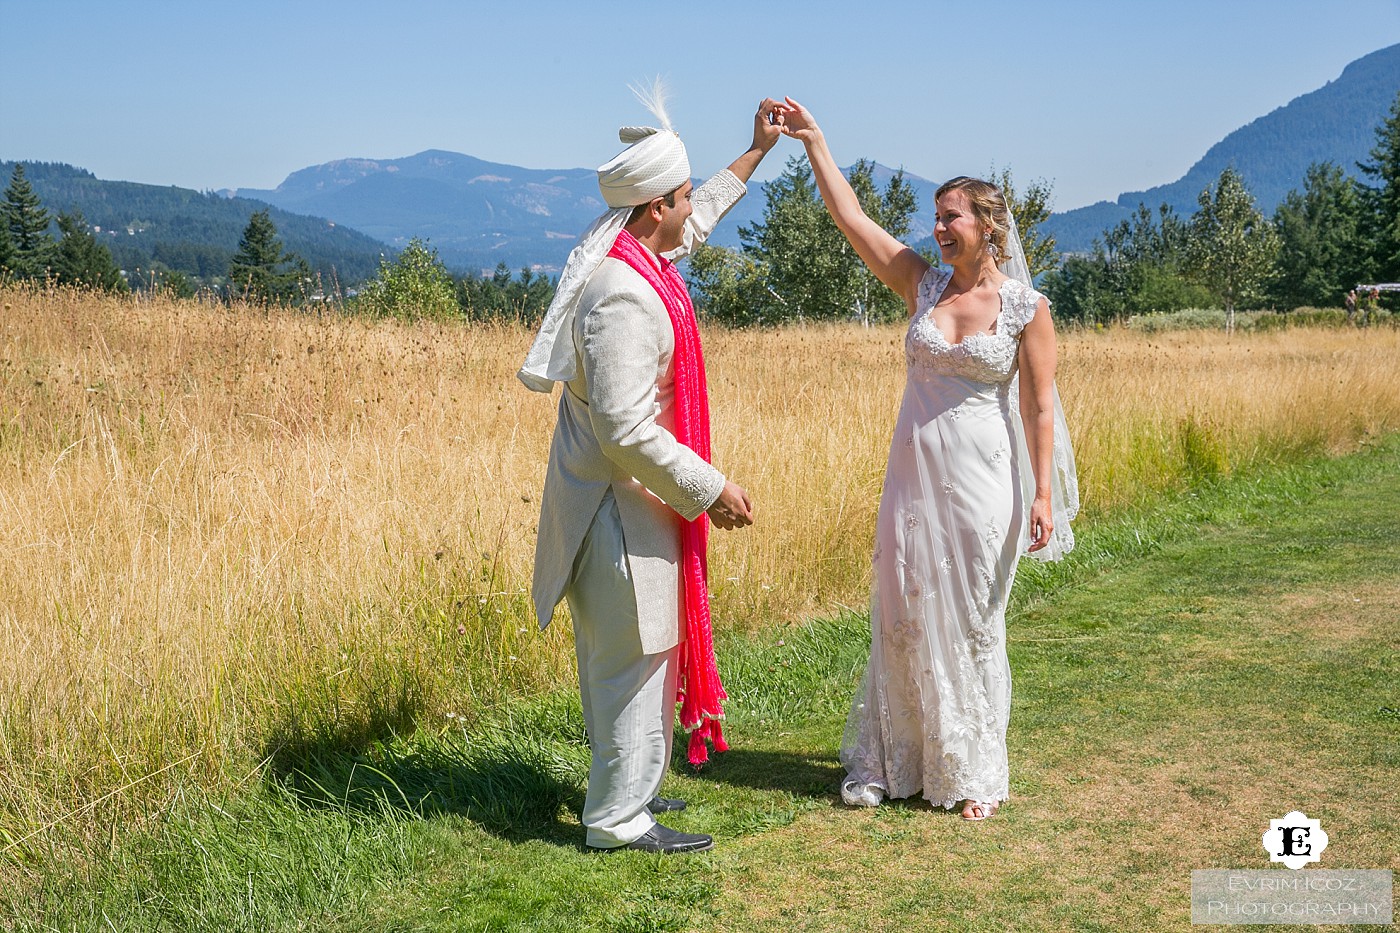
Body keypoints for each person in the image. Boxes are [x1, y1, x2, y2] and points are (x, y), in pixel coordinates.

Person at [777, 97, 1078, 821]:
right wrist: (815, 141)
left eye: (952, 218)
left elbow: (1041, 407)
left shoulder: (1025, 309)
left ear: (988, 226)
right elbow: (853, 220)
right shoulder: (922, 283)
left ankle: (972, 770)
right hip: (912, 474)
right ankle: (897, 759)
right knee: (905, 609)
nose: (938, 229)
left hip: (984, 481)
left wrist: (1042, 494)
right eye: (936, 218)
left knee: (973, 616)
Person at [518, 87, 784, 853]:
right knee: (631, 656)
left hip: (631, 502)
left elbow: (699, 220)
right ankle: (617, 818)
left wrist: (756, 151)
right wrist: (711, 487)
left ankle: (629, 788)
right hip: (614, 505)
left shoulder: (640, 256)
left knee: (640, 648)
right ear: (654, 205)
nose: (692, 205)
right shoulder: (624, 295)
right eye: (685, 194)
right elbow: (626, 429)